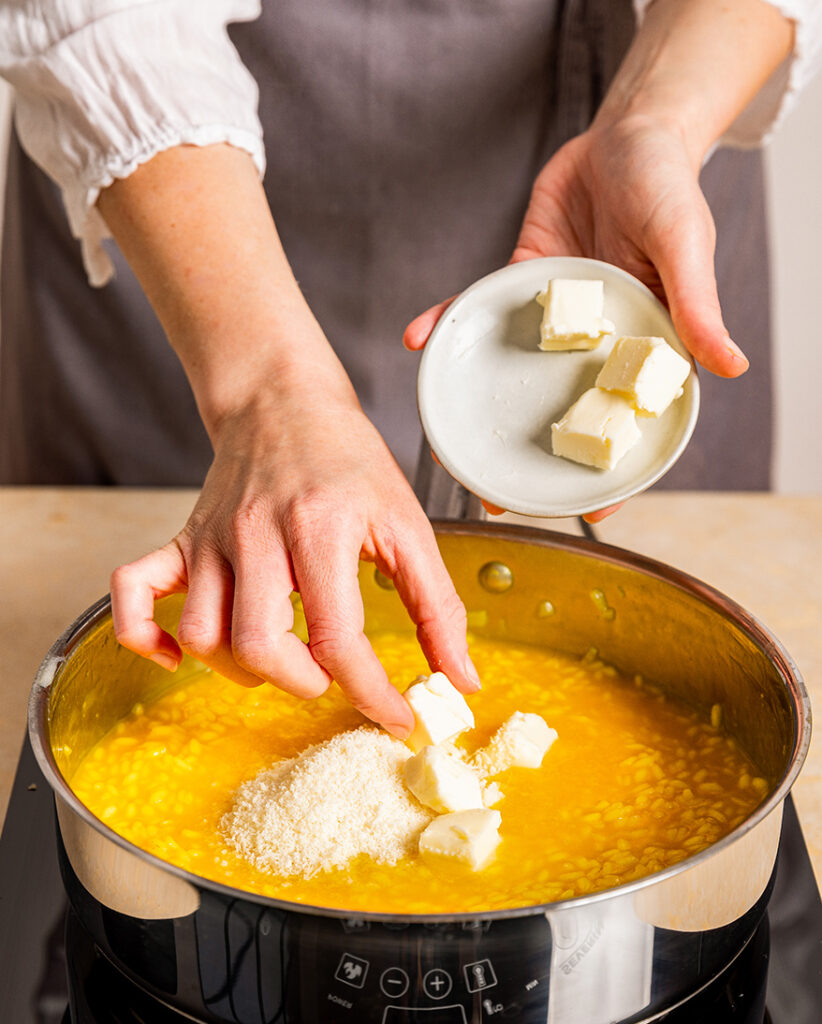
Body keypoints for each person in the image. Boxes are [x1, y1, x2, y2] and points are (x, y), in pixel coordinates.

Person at [0, 0, 818, 737]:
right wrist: (264, 393)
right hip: (187, 208)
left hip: (640, 183)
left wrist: (655, 123)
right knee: (227, 600)